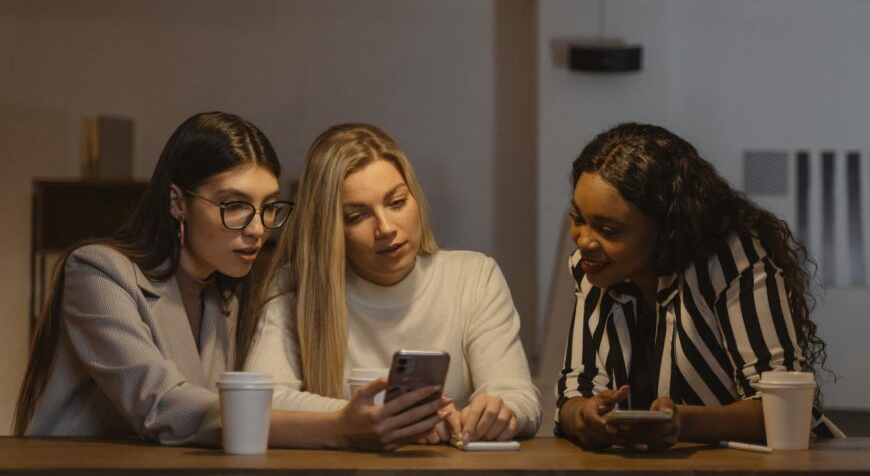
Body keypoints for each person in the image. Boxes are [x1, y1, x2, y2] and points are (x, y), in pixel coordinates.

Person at [14, 112, 447, 449]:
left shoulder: (228, 299)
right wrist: (338, 427)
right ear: (177, 202)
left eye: (269, 208)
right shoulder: (96, 272)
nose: (258, 228)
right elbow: (162, 406)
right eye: (234, 205)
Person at [246, 123, 541, 447]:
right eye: (356, 216)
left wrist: (500, 412)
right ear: (329, 229)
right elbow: (259, 402)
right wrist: (374, 421)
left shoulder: (473, 277)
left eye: (397, 202)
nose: (385, 228)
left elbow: (519, 396)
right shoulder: (294, 288)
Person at [555, 122, 844, 452]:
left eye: (609, 230)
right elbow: (576, 390)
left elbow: (785, 410)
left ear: (666, 228)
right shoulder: (592, 268)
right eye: (578, 218)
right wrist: (584, 416)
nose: (584, 241)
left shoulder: (731, 261)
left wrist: (684, 424)